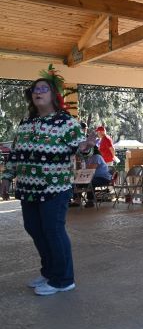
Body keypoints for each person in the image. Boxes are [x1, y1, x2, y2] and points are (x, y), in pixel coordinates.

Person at [0, 68, 95, 296]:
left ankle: (64, 279)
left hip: (55, 187)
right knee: (34, 228)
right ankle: (50, 272)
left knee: (53, 231)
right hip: (27, 188)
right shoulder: (25, 124)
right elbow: (16, 154)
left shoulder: (66, 122)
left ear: (54, 95)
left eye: (43, 88)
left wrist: (85, 147)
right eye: (34, 89)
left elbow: (80, 148)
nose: (37, 92)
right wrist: (6, 178)